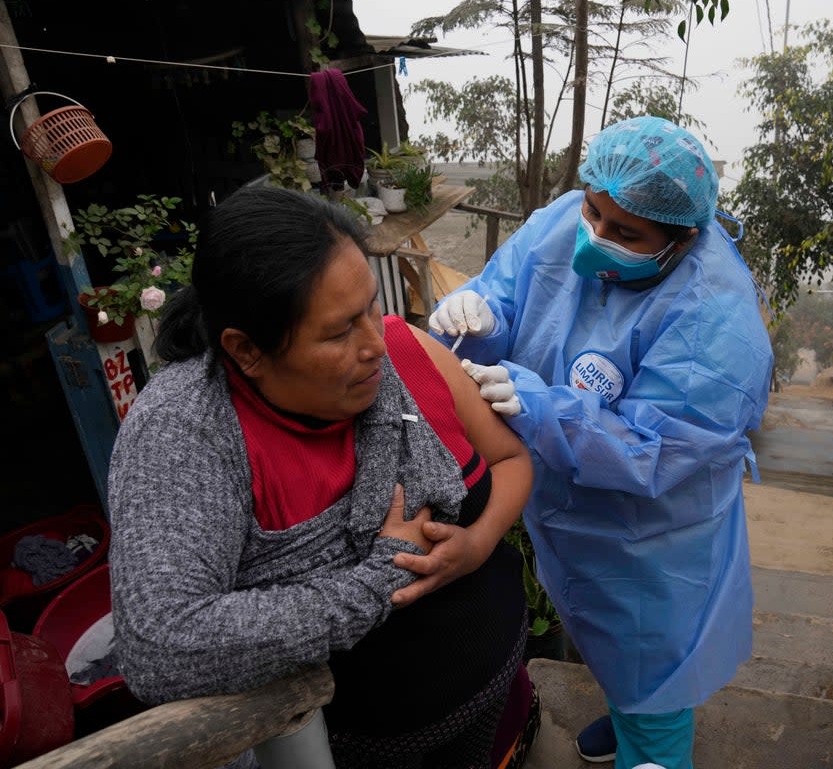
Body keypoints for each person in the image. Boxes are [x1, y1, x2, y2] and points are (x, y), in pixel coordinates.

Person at [107, 185, 535, 769]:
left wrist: (477, 547)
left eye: (368, 306)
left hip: (496, 688)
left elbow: (512, 461)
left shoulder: (405, 349)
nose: (373, 344)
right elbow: (163, 644)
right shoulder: (188, 429)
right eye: (338, 333)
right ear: (247, 350)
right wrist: (376, 580)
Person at [426, 116, 774, 769]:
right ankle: (626, 717)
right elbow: (511, 290)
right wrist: (479, 315)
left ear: (682, 237)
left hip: (650, 540)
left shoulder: (715, 323)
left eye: (625, 233)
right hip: (567, 510)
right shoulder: (567, 219)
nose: (596, 237)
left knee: (651, 659)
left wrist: (539, 406)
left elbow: (655, 451)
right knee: (604, 640)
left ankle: (657, 749)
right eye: (593, 212)